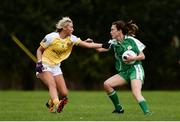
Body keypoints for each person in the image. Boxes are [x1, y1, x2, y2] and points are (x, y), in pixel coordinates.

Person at [35, 17, 102, 113]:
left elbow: (88, 45)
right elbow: (39, 50)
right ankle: (57, 105)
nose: (73, 29)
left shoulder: (71, 38)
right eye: (71, 27)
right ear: (64, 28)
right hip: (45, 63)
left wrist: (103, 45)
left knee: (64, 93)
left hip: (56, 66)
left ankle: (50, 103)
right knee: (52, 85)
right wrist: (39, 62)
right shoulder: (51, 37)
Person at [96, 20, 152, 115]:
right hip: (124, 72)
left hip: (135, 69)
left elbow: (142, 56)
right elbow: (100, 49)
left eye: (112, 29)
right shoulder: (113, 42)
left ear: (119, 30)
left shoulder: (131, 40)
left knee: (136, 92)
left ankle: (147, 113)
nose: (110, 32)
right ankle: (119, 108)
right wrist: (90, 43)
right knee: (107, 84)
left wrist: (133, 58)